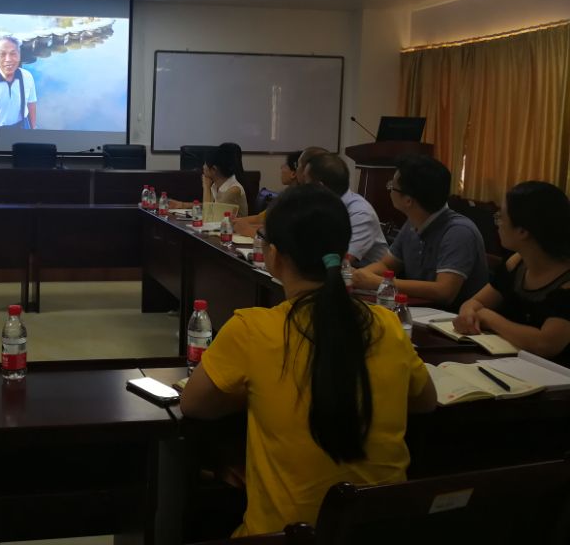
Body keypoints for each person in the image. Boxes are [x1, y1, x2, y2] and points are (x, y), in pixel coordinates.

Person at [180, 185, 436, 536]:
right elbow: (425, 401)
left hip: (282, 537)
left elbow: (193, 403)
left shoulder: (251, 329)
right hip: (384, 532)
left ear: (274, 255)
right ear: (343, 254)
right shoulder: (387, 324)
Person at [453, 181, 570, 365]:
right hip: (508, 364)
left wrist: (488, 318)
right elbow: (475, 302)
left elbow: (545, 344)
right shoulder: (516, 263)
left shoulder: (565, 282)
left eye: (501, 217)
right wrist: (468, 313)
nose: (497, 224)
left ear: (523, 231)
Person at [351, 155, 488, 310]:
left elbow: (444, 291)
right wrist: (360, 276)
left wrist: (380, 283)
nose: (389, 190)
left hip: (451, 318)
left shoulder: (459, 232)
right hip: (419, 311)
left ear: (408, 200)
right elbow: (387, 265)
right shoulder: (413, 222)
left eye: (392, 186)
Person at [304, 153, 389, 267]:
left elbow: (341, 262)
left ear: (320, 187)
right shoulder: (323, 206)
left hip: (369, 276)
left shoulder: (361, 214)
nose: (302, 189)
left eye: (306, 184)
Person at [233, 150, 302, 236]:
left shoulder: (296, 201)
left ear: (293, 173)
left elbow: (280, 235)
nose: (281, 168)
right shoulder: (286, 195)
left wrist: (249, 230)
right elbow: (261, 219)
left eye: (285, 165)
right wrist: (237, 222)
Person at [169, 144, 248, 217]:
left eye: (205, 164)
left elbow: (208, 215)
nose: (203, 167)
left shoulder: (233, 190)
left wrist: (206, 187)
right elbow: (212, 206)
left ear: (214, 169)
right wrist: (182, 205)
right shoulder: (216, 184)